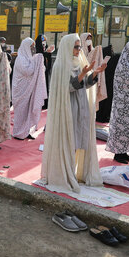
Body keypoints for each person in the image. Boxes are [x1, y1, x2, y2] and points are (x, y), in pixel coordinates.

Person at [40, 34, 105, 194]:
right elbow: (68, 87)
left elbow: (86, 84)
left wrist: (95, 73)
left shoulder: (80, 62)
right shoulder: (61, 65)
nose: (79, 50)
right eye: (76, 47)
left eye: (79, 47)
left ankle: (75, 172)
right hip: (68, 109)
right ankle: (65, 174)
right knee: (69, 141)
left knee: (78, 141)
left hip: (81, 107)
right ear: (68, 47)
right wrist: (83, 74)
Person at [12, 37, 47, 140]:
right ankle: (18, 133)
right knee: (21, 113)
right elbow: (29, 71)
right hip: (20, 92)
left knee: (29, 111)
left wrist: (38, 61)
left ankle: (27, 131)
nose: (33, 49)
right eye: (31, 47)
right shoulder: (20, 58)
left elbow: (41, 69)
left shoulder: (31, 58)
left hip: (29, 91)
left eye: (34, 47)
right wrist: (38, 61)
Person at [80, 33, 108, 111]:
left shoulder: (94, 51)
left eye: (90, 39)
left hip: (92, 78)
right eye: (87, 39)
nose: (89, 41)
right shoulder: (80, 52)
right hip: (82, 79)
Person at [95, 45, 117, 123]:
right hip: (111, 86)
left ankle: (101, 116)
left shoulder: (103, 61)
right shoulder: (114, 60)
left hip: (105, 85)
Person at [35, 34, 55, 109]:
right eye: (42, 41)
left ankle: (45, 103)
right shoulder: (35, 50)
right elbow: (39, 56)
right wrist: (46, 53)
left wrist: (49, 53)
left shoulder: (46, 50)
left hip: (45, 74)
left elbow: (48, 65)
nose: (44, 42)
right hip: (38, 74)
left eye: (45, 41)